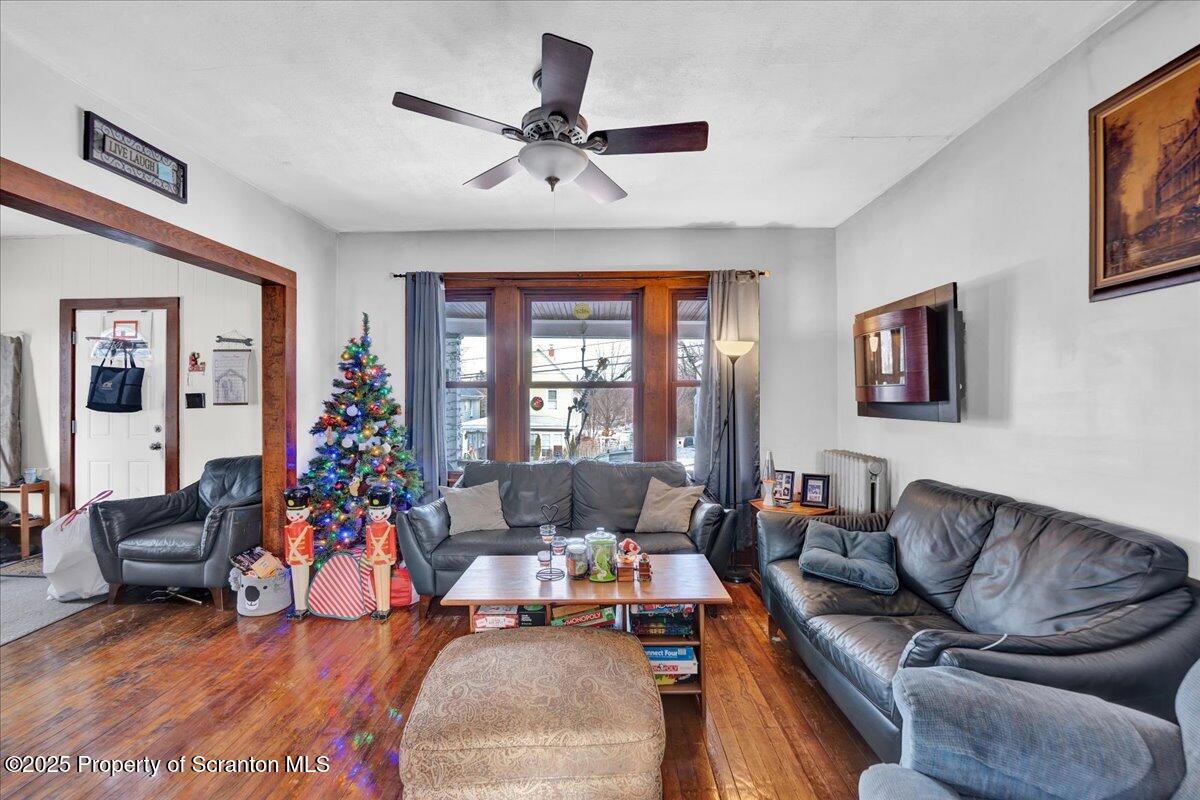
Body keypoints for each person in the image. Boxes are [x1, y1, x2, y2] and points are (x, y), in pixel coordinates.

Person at [363, 485, 397, 621]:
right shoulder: (370, 528)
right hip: (376, 558)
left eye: (380, 511)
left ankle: (386, 608)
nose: (376, 515)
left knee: (384, 582)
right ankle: (380, 608)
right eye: (374, 512)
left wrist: (393, 557)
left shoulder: (389, 527)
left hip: (386, 558)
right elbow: (369, 544)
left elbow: (392, 543)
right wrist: (370, 556)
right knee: (378, 583)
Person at [283, 486, 314, 620]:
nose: (294, 516)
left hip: (303, 558)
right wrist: (287, 557)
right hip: (294, 558)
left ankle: (304, 606)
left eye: (297, 513)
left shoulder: (307, 527)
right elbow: (287, 543)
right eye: (291, 513)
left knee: (303, 581)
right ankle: (298, 607)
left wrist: (310, 557)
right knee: (296, 582)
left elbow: (309, 543)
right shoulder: (288, 528)